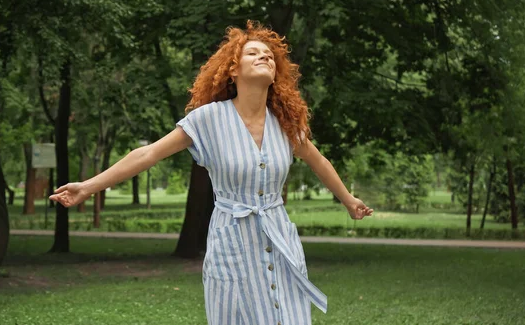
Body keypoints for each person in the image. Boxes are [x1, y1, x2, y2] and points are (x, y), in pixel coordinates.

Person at [50, 20, 373, 325]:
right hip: (232, 243)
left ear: (276, 74)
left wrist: (347, 200)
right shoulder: (208, 120)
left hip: (279, 238)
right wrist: (89, 186)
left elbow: (319, 162)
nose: (265, 58)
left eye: (270, 57)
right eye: (254, 53)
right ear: (233, 69)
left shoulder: (285, 125)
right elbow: (148, 153)